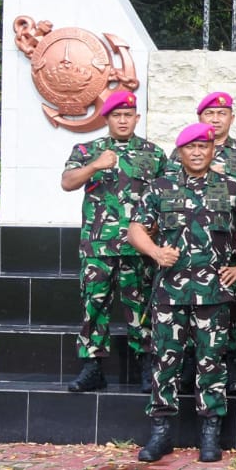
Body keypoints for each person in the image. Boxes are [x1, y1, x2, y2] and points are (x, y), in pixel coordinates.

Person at [126, 123, 236, 463]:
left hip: (214, 294)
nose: (197, 153)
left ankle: (210, 434)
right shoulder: (160, 187)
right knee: (165, 363)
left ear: (212, 149)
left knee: (212, 363)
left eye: (203, 146)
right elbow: (135, 229)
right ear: (180, 152)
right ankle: (161, 433)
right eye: (190, 147)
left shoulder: (232, 188)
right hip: (170, 293)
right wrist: (155, 251)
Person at [61, 90, 168, 394]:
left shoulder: (154, 154)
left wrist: (156, 228)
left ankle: (146, 365)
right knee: (94, 306)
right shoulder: (88, 149)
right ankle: (92, 367)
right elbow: (67, 182)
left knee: (140, 307)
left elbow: (168, 195)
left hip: (138, 247)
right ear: (107, 118)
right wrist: (95, 165)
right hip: (98, 246)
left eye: (128, 115)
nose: (122, 120)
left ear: (136, 118)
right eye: (116, 115)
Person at [173, 92, 236, 396]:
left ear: (231, 118)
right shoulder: (182, 152)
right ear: (200, 118)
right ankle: (189, 363)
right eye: (209, 113)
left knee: (235, 309)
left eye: (222, 113)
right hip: (191, 244)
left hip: (231, 247)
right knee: (190, 306)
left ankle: (233, 365)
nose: (216, 118)